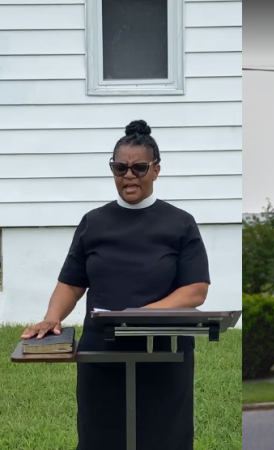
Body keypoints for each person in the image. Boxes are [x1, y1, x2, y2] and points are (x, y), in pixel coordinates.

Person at [20, 120, 211, 450]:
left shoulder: (180, 223)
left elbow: (195, 290)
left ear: (156, 170)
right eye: (120, 167)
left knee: (163, 437)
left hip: (163, 354)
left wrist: (142, 314)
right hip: (101, 353)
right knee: (101, 437)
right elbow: (71, 283)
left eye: (139, 167)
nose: (129, 176)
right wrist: (53, 316)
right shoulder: (93, 223)